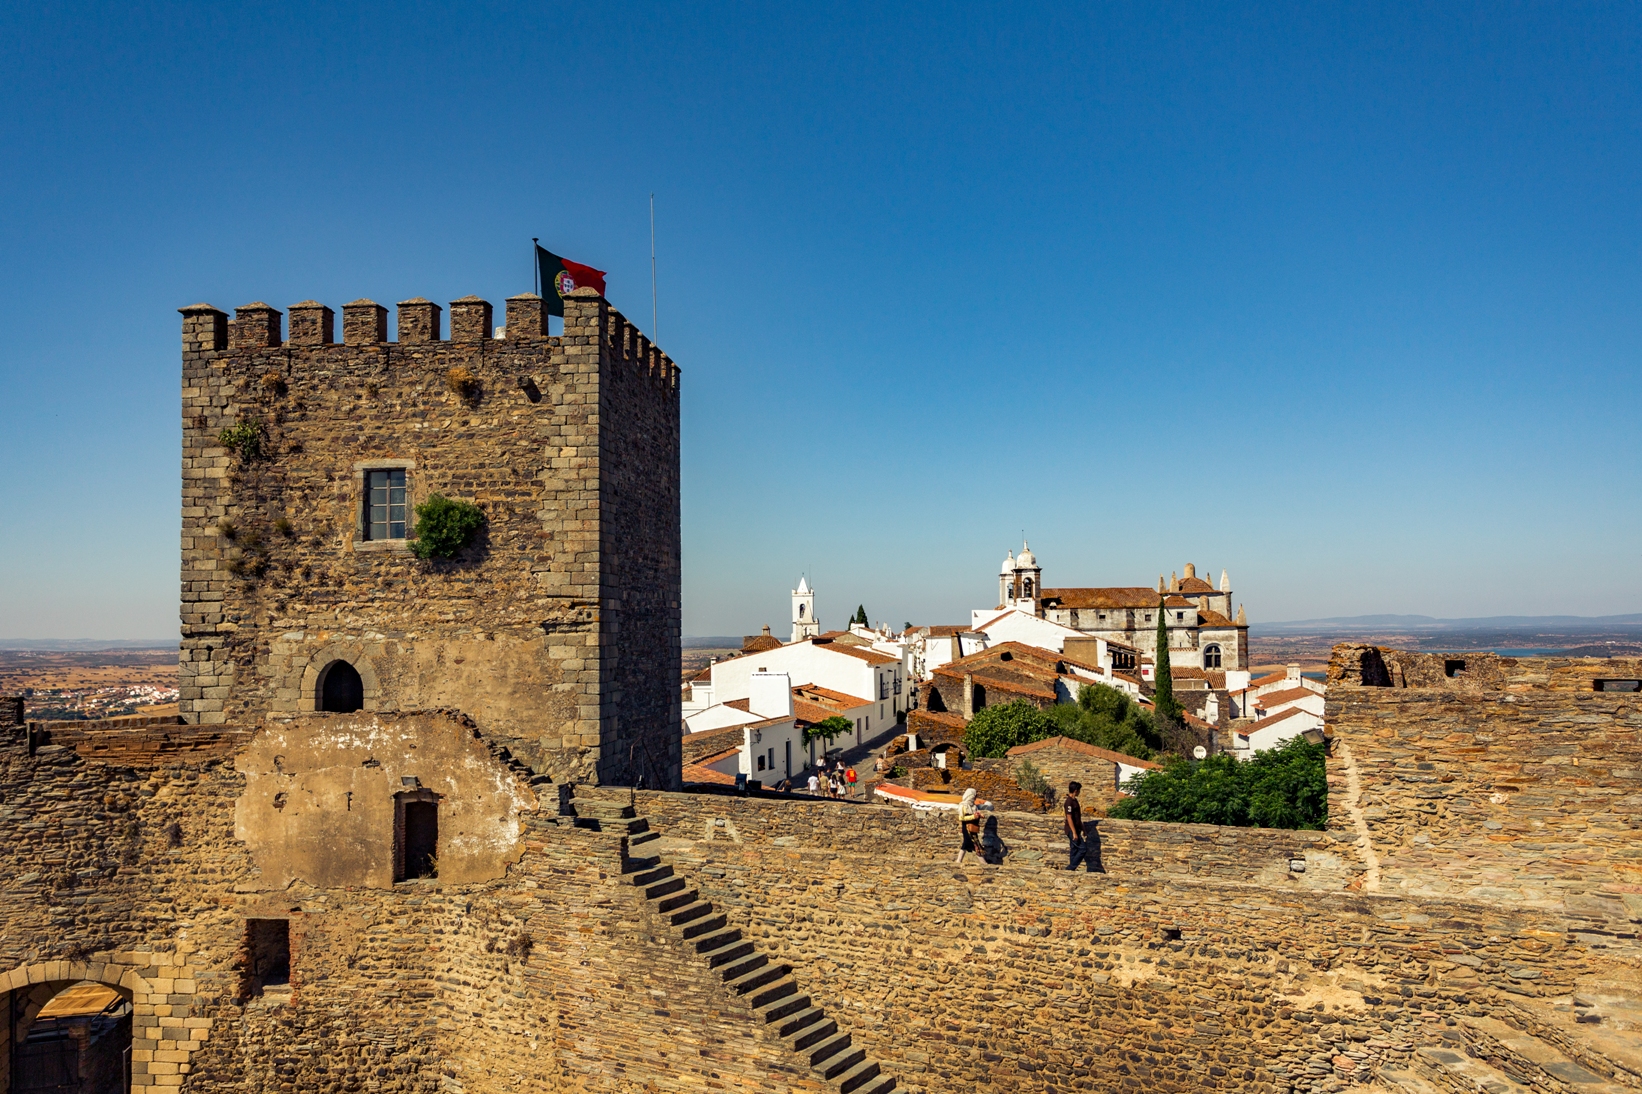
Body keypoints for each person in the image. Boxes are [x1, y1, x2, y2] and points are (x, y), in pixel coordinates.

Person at [1065, 781, 1093, 872]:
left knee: (1074, 849)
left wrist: (1083, 829)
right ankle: (1070, 868)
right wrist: (1074, 832)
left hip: (1077, 829)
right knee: (1082, 849)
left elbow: (1077, 817)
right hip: (1071, 830)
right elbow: (1069, 817)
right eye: (1079, 790)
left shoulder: (1074, 801)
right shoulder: (1069, 802)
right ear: (1076, 791)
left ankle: (1071, 870)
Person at [955, 787, 981, 864]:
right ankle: (983, 862)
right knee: (975, 843)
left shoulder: (974, 806)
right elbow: (961, 818)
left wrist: (979, 815)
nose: (975, 797)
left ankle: (958, 860)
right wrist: (973, 817)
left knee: (967, 843)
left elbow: (975, 815)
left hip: (973, 827)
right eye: (974, 796)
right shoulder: (963, 805)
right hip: (967, 827)